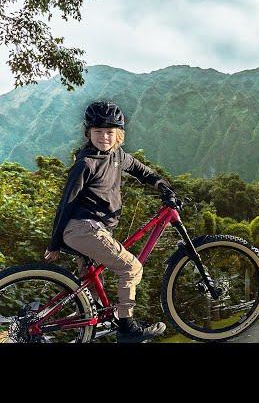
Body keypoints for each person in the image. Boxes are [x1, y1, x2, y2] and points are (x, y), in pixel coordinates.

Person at [45, 101, 170, 343]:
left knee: (91, 294)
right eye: (98, 132)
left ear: (118, 135)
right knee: (131, 268)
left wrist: (161, 185)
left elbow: (141, 170)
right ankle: (127, 327)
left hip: (94, 229)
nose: (104, 137)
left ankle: (83, 328)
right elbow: (66, 204)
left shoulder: (117, 155)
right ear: (88, 133)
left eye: (109, 132)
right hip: (83, 229)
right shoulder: (86, 163)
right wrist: (54, 243)